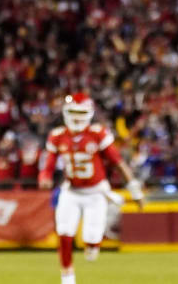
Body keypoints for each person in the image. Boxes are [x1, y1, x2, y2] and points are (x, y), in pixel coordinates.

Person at [38, 93, 144, 284]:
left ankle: (93, 245)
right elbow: (48, 164)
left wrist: (135, 190)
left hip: (96, 193)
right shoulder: (57, 136)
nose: (76, 117)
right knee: (64, 233)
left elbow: (118, 163)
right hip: (71, 191)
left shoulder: (97, 134)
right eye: (73, 112)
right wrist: (44, 176)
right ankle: (67, 279)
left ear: (89, 113)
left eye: (81, 112)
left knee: (92, 239)